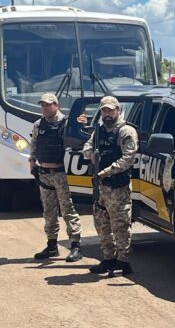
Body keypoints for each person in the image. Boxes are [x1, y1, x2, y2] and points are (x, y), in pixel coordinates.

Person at [79, 96, 138, 275]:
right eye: (104, 110)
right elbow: (87, 148)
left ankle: (123, 261)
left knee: (120, 225)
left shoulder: (126, 131)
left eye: (110, 110)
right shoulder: (99, 131)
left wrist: (108, 170)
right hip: (101, 186)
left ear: (118, 110)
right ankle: (108, 259)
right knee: (101, 224)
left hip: (117, 187)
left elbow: (128, 159)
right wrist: (92, 155)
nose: (107, 114)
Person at [30, 92, 82, 261]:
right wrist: (32, 162)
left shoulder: (67, 124)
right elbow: (34, 145)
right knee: (49, 211)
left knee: (68, 210)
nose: (44, 108)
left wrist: (83, 122)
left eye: (48, 105)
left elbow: (78, 142)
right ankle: (52, 246)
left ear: (56, 105)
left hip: (61, 173)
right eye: (42, 105)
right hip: (44, 173)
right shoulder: (38, 124)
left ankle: (75, 245)